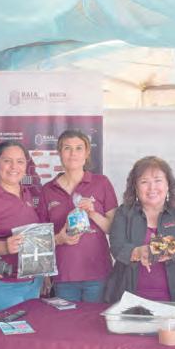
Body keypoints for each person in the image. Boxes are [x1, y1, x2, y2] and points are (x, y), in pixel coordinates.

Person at [104, 156, 175, 303]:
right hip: (130, 297)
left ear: (168, 184)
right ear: (135, 187)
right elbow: (117, 247)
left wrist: (171, 248)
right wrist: (138, 252)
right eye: (144, 182)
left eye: (158, 180)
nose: (152, 188)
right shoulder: (124, 212)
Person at [38, 129, 118, 302]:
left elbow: (113, 229)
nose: (73, 153)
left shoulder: (102, 183)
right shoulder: (47, 190)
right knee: (67, 320)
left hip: (97, 273)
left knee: (94, 319)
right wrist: (45, 272)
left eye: (79, 148)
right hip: (64, 274)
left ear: (87, 153)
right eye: (67, 148)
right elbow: (41, 237)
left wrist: (92, 213)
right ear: (59, 153)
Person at [0, 140, 43, 313]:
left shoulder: (26, 193)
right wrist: (4, 246)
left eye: (20, 161)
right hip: (2, 286)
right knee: (5, 331)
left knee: (31, 329)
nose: (14, 167)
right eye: (7, 161)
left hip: (33, 282)